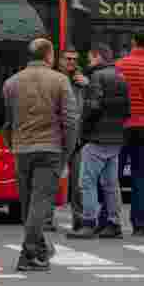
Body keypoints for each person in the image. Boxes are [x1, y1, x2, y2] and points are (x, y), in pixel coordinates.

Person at [1, 38, 78, 272]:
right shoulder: (60, 80)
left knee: (28, 204)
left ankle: (39, 249)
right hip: (50, 148)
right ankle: (29, 252)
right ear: (49, 56)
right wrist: (67, 151)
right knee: (40, 203)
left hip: (22, 149)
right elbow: (71, 120)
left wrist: (13, 144)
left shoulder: (11, 82)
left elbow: (5, 122)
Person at [68, 43, 131, 239]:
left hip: (96, 138)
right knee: (110, 183)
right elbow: (126, 110)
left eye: (90, 57)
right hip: (115, 137)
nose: (88, 61)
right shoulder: (121, 77)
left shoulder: (96, 77)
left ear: (98, 57)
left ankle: (88, 222)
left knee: (87, 182)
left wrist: (83, 130)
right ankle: (113, 223)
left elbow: (92, 108)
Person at [116, 32, 144, 237]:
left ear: (134, 42)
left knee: (112, 176)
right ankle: (141, 223)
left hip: (122, 126)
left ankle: (110, 220)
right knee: (142, 176)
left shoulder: (120, 66)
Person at [54, 48, 88, 232]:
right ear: (60, 61)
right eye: (68, 59)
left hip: (77, 138)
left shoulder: (81, 80)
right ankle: (46, 219)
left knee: (78, 182)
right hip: (57, 136)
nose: (71, 62)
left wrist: (87, 85)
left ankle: (79, 218)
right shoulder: (54, 79)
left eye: (75, 59)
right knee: (51, 180)